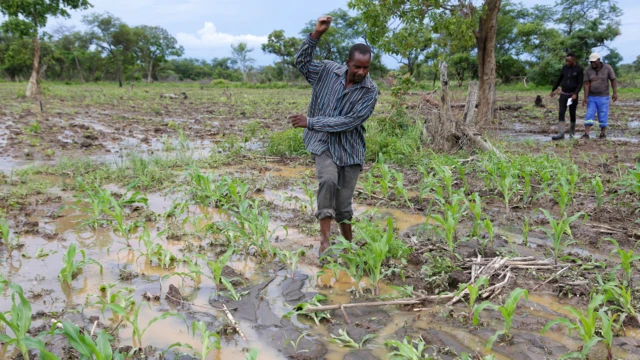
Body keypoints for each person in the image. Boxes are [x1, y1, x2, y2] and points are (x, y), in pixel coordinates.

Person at [289, 15, 378, 256]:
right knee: (327, 180)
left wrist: (311, 122)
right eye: (357, 66)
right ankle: (325, 243)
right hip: (323, 144)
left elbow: (349, 122)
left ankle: (349, 246)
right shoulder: (327, 71)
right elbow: (302, 62)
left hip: (350, 150)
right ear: (347, 62)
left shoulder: (370, 91)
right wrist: (316, 34)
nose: (361, 72)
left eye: (366, 67)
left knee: (343, 205)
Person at [582, 52, 618, 139]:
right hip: (591, 97)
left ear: (599, 60)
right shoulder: (588, 70)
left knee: (603, 114)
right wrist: (585, 98)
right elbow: (586, 84)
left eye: (594, 61)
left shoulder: (607, 68)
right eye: (591, 62)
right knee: (589, 114)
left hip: (603, 96)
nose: (592, 63)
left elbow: (613, 80)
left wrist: (615, 92)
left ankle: (603, 134)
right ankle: (586, 134)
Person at [550, 52, 583, 140]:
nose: (567, 63)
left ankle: (571, 133)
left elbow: (580, 83)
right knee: (561, 112)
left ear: (573, 60)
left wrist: (575, 93)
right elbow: (559, 79)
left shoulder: (579, 69)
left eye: (569, 61)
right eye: (566, 61)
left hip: (572, 96)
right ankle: (561, 133)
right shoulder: (564, 68)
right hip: (564, 94)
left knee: (572, 113)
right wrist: (553, 89)